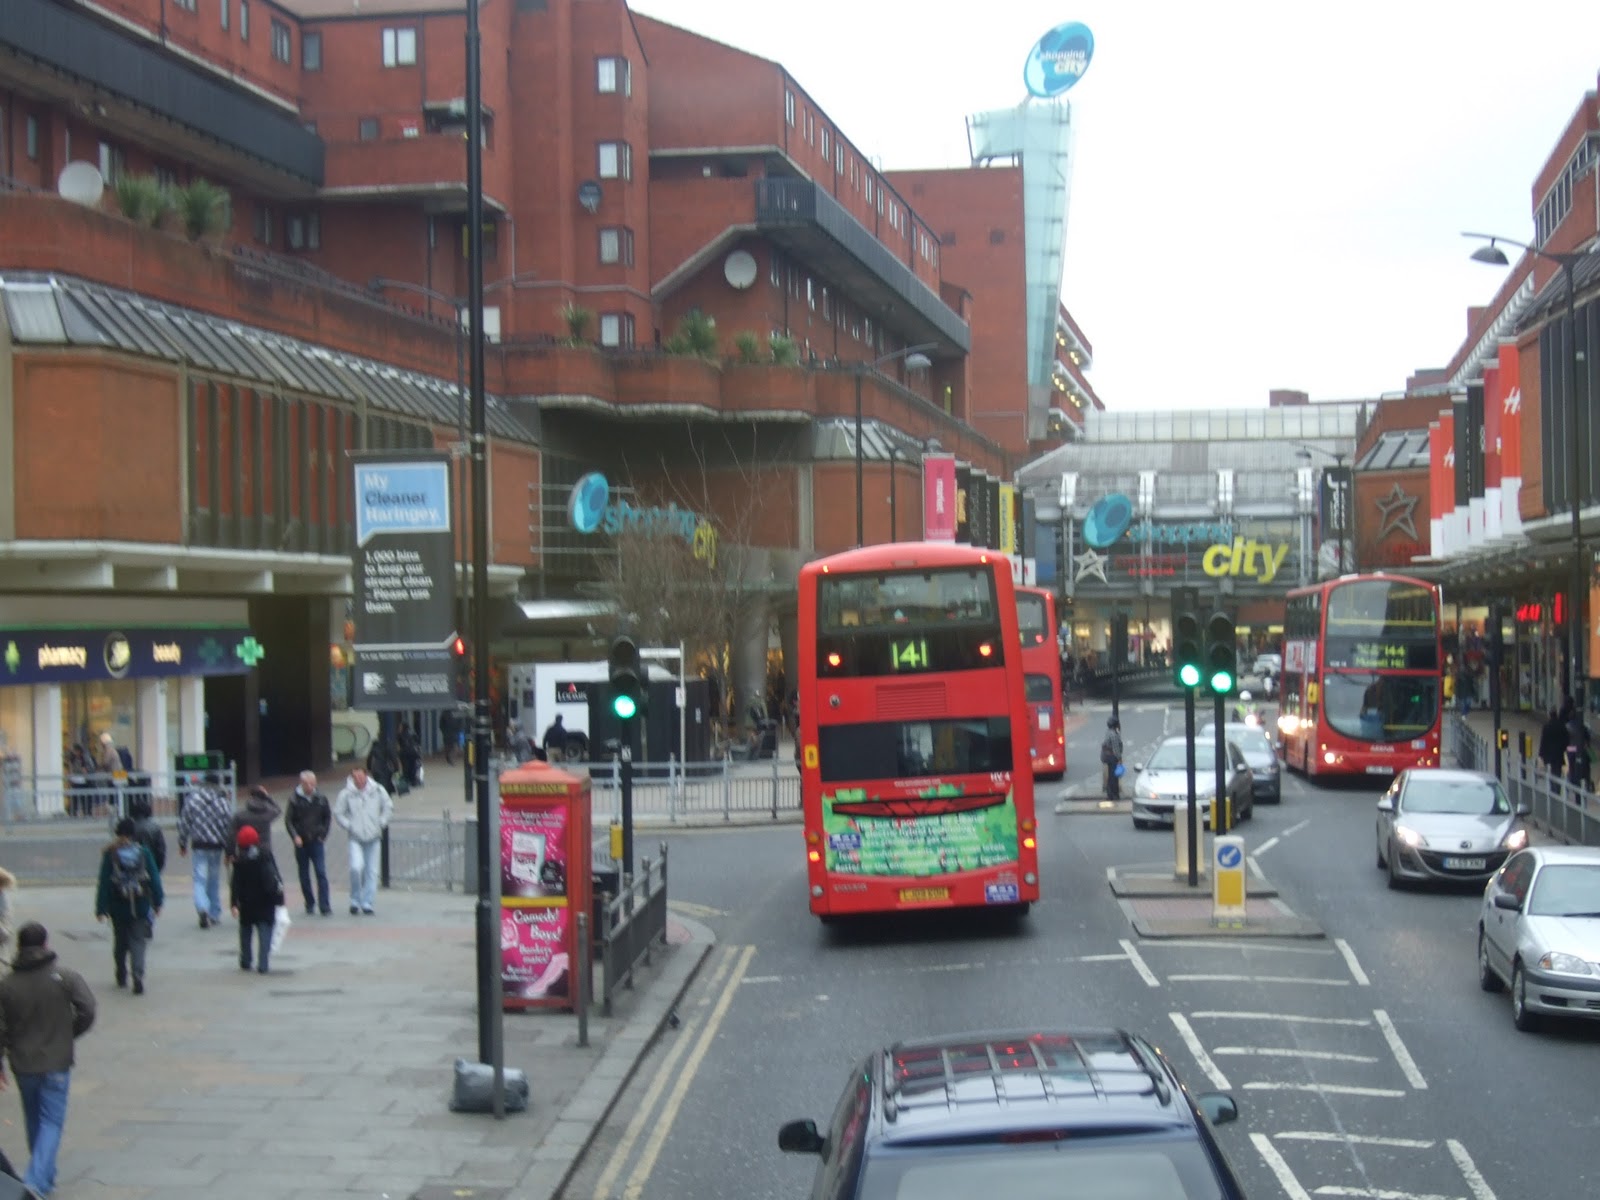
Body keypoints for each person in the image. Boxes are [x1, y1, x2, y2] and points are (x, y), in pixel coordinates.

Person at [0, 922, 97, 1199]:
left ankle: (44, 1175)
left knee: (34, 1118)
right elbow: (87, 1008)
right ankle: (36, 1181)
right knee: (51, 1121)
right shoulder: (64, 976)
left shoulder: (7, 985)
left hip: (24, 1064)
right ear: (45, 944)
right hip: (57, 1061)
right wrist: (69, 1033)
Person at [94, 818, 163, 994]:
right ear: (133, 834)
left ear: (117, 833)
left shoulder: (111, 854)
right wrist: (158, 901)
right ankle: (138, 974)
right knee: (138, 941)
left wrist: (101, 909)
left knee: (120, 942)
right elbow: (154, 878)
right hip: (140, 904)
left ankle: (121, 973)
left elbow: (104, 883)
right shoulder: (144, 852)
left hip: (118, 906)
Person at [334, 767, 393, 917]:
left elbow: (388, 806)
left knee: (372, 871)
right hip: (356, 837)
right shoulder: (346, 793)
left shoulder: (377, 790)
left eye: (361, 777)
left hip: (373, 837)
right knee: (356, 867)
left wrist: (382, 822)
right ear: (352, 778)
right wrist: (349, 825)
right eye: (355, 778)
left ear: (366, 776)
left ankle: (367, 902)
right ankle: (355, 899)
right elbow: (338, 812)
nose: (359, 780)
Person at [177, 774, 232, 929]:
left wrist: (182, 843)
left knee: (200, 879)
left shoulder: (193, 800)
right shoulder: (223, 802)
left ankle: (202, 908)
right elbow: (229, 826)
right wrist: (229, 849)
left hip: (199, 845)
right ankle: (214, 913)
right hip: (217, 846)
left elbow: (184, 822)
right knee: (214, 880)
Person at [230, 827, 283, 975]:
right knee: (265, 932)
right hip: (266, 901)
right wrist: (280, 899)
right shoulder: (266, 856)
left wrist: (234, 903)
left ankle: (246, 960)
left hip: (247, 903)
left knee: (246, 931)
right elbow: (276, 877)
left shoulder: (239, 861)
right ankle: (263, 963)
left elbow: (235, 883)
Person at [285, 771, 333, 917]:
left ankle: (324, 905)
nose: (311, 786)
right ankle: (309, 902)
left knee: (321, 872)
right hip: (302, 842)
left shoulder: (321, 798)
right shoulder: (294, 799)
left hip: (316, 840)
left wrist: (323, 834)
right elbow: (289, 820)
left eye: (313, 783)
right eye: (307, 784)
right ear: (301, 783)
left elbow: (327, 817)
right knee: (304, 874)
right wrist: (295, 836)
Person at [229, 785, 281, 864]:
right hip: (264, 851)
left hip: (244, 852)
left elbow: (231, 835)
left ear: (250, 797)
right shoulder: (268, 813)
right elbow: (278, 809)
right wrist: (267, 796)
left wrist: (230, 853)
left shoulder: (239, 816)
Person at [126, 794, 166, 877]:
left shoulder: (129, 827)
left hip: (131, 866)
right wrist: (158, 869)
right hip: (151, 866)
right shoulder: (155, 828)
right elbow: (161, 851)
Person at [1566, 710, 1592, 791]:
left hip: (1570, 749)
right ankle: (1587, 784)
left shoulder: (1567, 726)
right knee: (1585, 767)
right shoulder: (1582, 726)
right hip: (1580, 749)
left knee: (1571, 766)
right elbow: (1587, 737)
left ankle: (1572, 782)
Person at [1539, 708, 1568, 777]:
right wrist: (1565, 749)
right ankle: (1557, 785)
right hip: (1559, 752)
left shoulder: (1546, 726)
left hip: (1550, 753)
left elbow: (1543, 741)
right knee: (1557, 769)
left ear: (1550, 716)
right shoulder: (1561, 726)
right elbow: (1566, 739)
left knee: (1552, 770)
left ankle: (1553, 785)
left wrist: (1541, 753)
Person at [1100, 717, 1124, 802]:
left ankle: (1111, 794)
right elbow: (1116, 748)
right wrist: (1119, 758)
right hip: (1112, 758)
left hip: (1107, 757)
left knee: (1110, 776)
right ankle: (1114, 795)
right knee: (1113, 777)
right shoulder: (1113, 734)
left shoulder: (1109, 732)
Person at [397, 720, 422, 788]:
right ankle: (413, 780)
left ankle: (407, 781)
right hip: (414, 753)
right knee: (413, 766)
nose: (399, 728)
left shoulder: (401, 735)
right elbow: (418, 743)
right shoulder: (413, 733)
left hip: (405, 753)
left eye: (400, 726)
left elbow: (400, 745)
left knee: (406, 767)